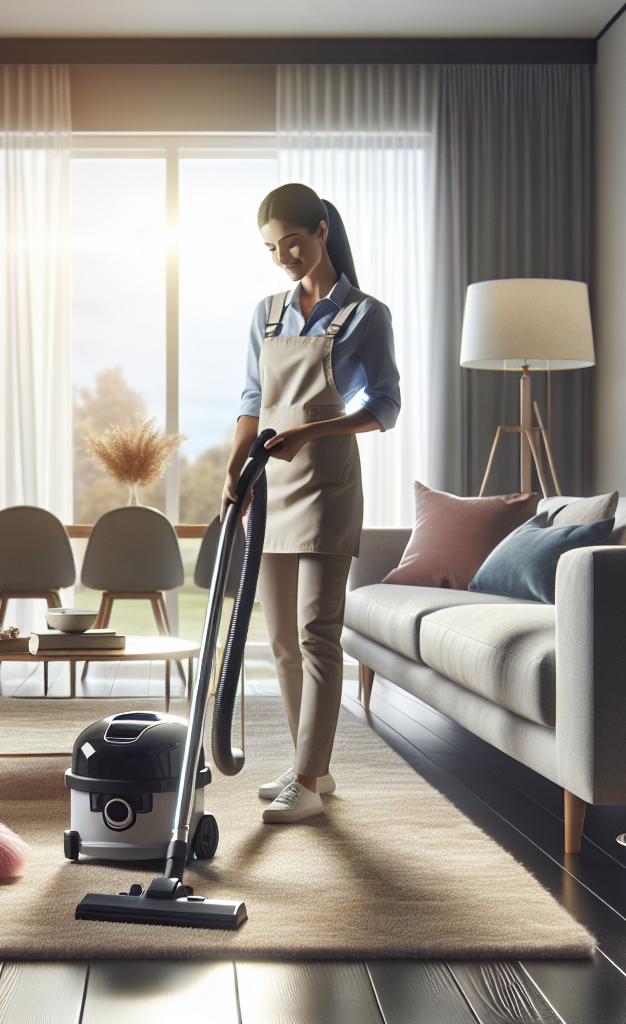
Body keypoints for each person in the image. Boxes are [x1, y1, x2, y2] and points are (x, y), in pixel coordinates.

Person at [221, 183, 400, 823]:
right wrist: (234, 468)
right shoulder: (266, 313)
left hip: (325, 485)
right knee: (279, 640)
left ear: (322, 230)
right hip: (268, 487)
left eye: (291, 242)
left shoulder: (364, 316)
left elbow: (385, 406)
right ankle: (314, 771)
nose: (282, 257)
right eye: (271, 248)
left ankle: (304, 777)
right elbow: (251, 401)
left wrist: (311, 433)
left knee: (317, 632)